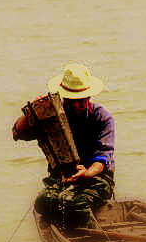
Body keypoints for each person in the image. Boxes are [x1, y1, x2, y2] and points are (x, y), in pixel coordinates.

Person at [12, 63, 115, 229]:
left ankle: (88, 229)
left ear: (88, 97)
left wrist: (87, 173)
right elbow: (17, 133)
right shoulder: (51, 115)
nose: (76, 105)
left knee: (76, 205)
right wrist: (31, 112)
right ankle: (67, 219)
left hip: (96, 179)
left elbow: (103, 158)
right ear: (64, 97)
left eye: (80, 101)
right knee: (42, 203)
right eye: (71, 100)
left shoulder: (102, 117)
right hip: (61, 178)